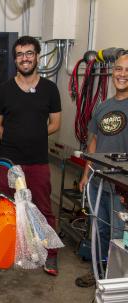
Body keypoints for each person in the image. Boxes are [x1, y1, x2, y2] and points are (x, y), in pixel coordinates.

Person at [0, 35, 62, 276]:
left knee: (43, 208)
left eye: (29, 53)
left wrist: (34, 137)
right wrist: (15, 141)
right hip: (8, 161)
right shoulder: (4, 90)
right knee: (4, 208)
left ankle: (50, 255)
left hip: (38, 162)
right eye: (20, 54)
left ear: (37, 56)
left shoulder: (50, 89)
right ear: (15, 59)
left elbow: (55, 123)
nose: (25, 58)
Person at [76, 53, 128, 287]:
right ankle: (97, 272)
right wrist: (86, 175)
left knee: (119, 236)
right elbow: (93, 143)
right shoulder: (103, 107)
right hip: (99, 181)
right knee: (99, 232)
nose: (122, 74)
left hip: (122, 186)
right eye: (118, 69)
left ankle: (114, 282)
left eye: (127, 70)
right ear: (112, 72)